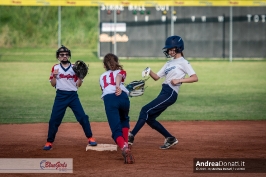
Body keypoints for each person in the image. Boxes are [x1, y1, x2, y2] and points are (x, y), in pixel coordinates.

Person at [128, 35, 198, 149]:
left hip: (171, 92)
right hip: (164, 91)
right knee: (149, 118)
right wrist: (149, 71)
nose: (169, 51)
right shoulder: (168, 63)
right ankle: (170, 138)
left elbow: (195, 77)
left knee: (145, 110)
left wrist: (180, 80)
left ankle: (131, 136)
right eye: (168, 49)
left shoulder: (183, 62)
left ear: (179, 48)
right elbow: (156, 77)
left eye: (171, 49)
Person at [43, 45, 97, 150]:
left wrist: (81, 78)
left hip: (73, 96)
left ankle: (90, 138)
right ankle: (49, 142)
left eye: (66, 54)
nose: (64, 56)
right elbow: (53, 84)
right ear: (58, 57)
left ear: (69, 56)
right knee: (54, 120)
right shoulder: (55, 67)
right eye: (62, 55)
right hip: (60, 96)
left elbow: (78, 85)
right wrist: (54, 76)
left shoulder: (75, 67)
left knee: (82, 117)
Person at [99, 53, 134, 164]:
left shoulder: (102, 76)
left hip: (110, 99)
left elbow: (103, 88)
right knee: (124, 120)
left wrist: (116, 86)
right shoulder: (122, 71)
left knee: (115, 129)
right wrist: (119, 86)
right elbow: (119, 76)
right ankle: (126, 144)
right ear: (117, 62)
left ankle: (124, 147)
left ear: (105, 66)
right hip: (123, 97)